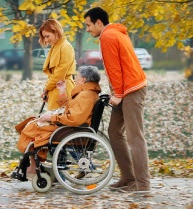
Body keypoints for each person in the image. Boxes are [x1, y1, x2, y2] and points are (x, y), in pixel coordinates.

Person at [83, 7, 150, 192]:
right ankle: (128, 178)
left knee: (135, 137)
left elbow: (115, 69)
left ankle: (143, 184)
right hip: (126, 89)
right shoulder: (115, 33)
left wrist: (118, 94)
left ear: (98, 22)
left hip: (131, 90)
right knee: (114, 132)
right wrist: (117, 93)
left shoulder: (108, 37)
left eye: (88, 25)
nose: (87, 29)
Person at [16, 65, 101, 175]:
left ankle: (33, 167)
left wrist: (51, 118)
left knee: (32, 127)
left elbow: (74, 119)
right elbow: (71, 110)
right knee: (32, 123)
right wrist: (62, 91)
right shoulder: (87, 93)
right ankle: (33, 165)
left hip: (71, 129)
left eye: (78, 76)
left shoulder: (85, 95)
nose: (75, 79)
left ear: (84, 79)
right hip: (71, 127)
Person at [39, 19, 76, 110]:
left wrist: (46, 88)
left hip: (63, 90)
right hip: (56, 89)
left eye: (47, 36)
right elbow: (53, 75)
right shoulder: (56, 47)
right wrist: (47, 89)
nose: (46, 40)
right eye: (44, 37)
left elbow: (59, 75)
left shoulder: (65, 47)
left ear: (56, 32)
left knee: (57, 121)